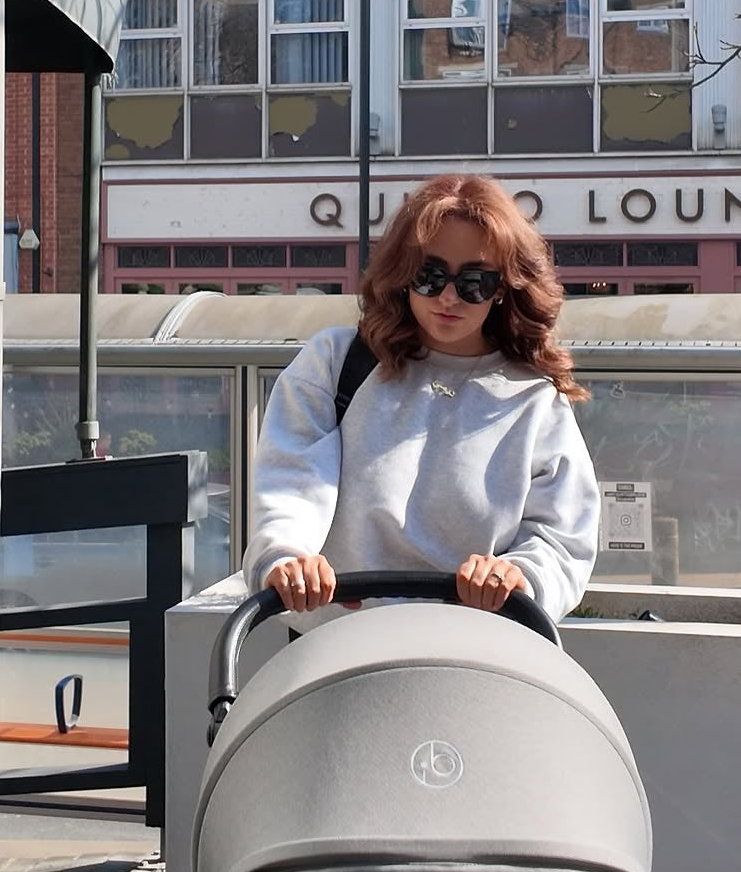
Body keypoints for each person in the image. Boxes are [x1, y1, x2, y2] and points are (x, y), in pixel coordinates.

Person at [242, 172, 601, 629]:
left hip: (472, 648)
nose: (449, 297)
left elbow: (562, 537)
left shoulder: (533, 398)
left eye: (474, 281)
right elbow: (291, 483)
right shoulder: (337, 363)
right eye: (429, 276)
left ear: (503, 288)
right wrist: (286, 559)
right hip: (336, 646)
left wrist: (520, 577)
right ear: (401, 274)